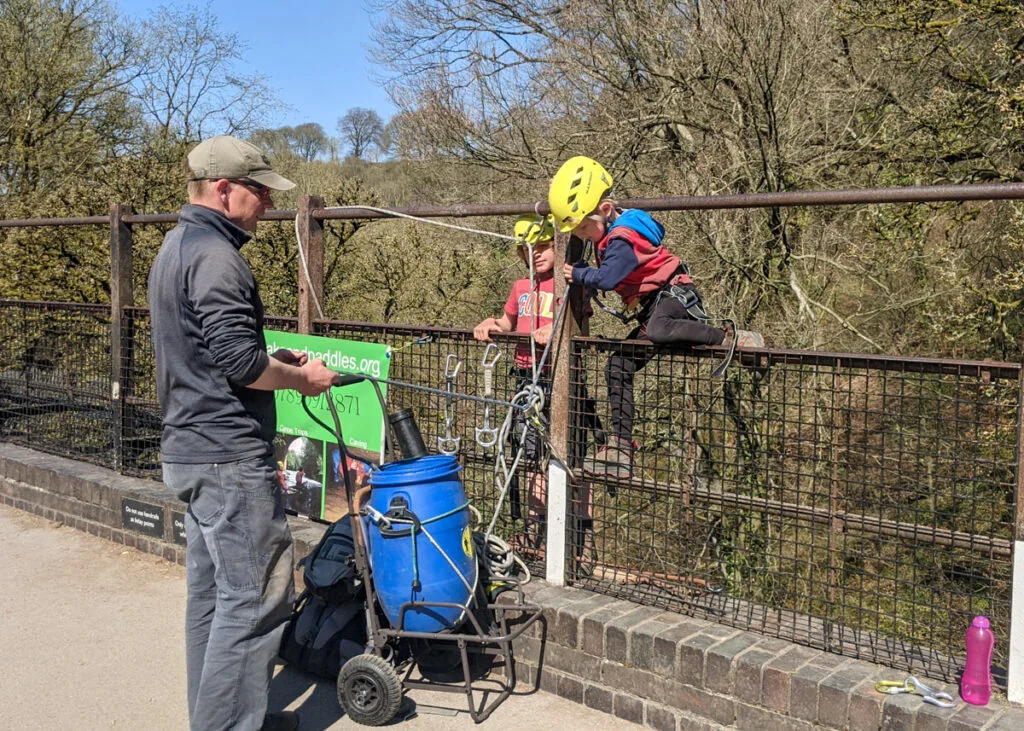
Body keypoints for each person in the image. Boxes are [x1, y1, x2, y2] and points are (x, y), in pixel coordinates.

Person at [149, 135, 337, 731]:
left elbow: (209, 349)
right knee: (256, 598)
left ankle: (223, 717)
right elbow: (239, 362)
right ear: (224, 190)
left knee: (211, 597)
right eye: (258, 190)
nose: (266, 203)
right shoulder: (219, 257)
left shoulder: (174, 247)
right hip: (228, 456)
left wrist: (267, 355)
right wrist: (300, 378)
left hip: (188, 449)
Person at [549, 156, 763, 479]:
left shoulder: (621, 239)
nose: (583, 235)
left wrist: (580, 274)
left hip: (674, 297)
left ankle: (729, 337)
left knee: (661, 329)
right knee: (618, 365)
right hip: (650, 308)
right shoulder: (606, 236)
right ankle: (620, 447)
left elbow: (607, 278)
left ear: (606, 210)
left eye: (583, 228)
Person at [473, 214, 593, 560]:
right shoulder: (520, 288)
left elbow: (578, 326)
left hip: (564, 379)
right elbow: (507, 321)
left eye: (543, 247)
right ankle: (533, 527)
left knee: (574, 458)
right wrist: (490, 324)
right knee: (531, 456)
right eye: (530, 249)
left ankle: (580, 539)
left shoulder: (572, 284)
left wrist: (557, 331)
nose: (536, 254)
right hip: (527, 377)